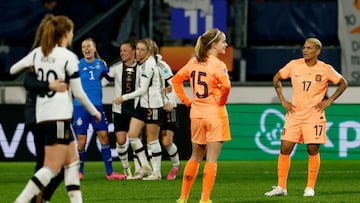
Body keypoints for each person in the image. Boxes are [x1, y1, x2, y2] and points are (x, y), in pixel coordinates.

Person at [12, 14, 101, 203]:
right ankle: (22, 201)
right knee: (52, 167)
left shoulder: (38, 53)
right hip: (58, 116)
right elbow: (78, 92)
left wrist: (43, 80)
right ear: (67, 33)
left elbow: (13, 70)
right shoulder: (68, 56)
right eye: (72, 31)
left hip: (42, 115)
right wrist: (94, 112)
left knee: (72, 163)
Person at [264, 38, 348, 197]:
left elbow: (343, 83)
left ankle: (310, 188)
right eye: (304, 47)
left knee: (312, 149)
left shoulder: (325, 69)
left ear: (317, 51)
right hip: (294, 114)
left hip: (314, 115)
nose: (305, 50)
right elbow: (277, 78)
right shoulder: (294, 65)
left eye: (309, 48)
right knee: (285, 148)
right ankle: (281, 187)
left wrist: (328, 101)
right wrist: (283, 100)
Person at [173, 28, 231, 203]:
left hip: (196, 114)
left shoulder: (193, 62)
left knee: (195, 156)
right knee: (211, 159)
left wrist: (187, 101)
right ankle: (204, 199)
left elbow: (176, 80)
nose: (226, 45)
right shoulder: (218, 65)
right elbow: (227, 86)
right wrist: (221, 101)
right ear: (214, 45)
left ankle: (183, 197)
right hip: (215, 115)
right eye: (223, 42)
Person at [73, 38, 126, 180]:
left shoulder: (101, 65)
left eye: (89, 46)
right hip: (80, 107)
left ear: (95, 48)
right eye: (84, 47)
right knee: (82, 141)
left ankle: (110, 173)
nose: (86, 49)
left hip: (97, 106)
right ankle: (79, 171)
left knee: (104, 136)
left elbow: (110, 77)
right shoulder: (77, 65)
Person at [113, 38, 165, 180]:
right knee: (132, 135)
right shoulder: (141, 64)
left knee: (152, 140)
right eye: (138, 49)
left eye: (143, 50)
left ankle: (156, 173)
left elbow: (142, 89)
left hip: (153, 105)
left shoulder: (149, 66)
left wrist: (124, 97)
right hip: (142, 105)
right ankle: (144, 165)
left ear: (148, 52)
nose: (139, 52)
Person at [102, 39, 140, 179]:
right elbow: (102, 82)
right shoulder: (116, 68)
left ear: (133, 51)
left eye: (125, 50)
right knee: (121, 141)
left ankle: (138, 170)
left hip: (136, 109)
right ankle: (126, 168)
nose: (122, 53)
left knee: (136, 139)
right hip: (119, 110)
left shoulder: (141, 68)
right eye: (121, 51)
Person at [149, 40, 181, 180]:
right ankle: (155, 171)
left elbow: (172, 84)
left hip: (166, 106)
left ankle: (176, 165)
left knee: (167, 142)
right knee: (151, 139)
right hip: (151, 107)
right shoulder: (142, 67)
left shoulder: (162, 66)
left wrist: (171, 102)